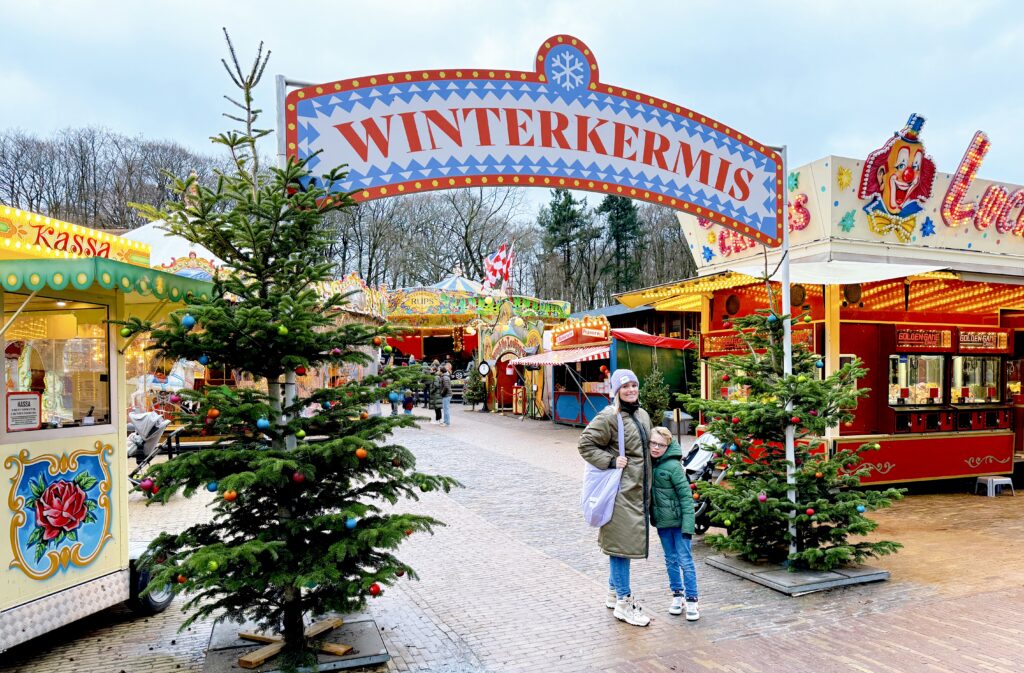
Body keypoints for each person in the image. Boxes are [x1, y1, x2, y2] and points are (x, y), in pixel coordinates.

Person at [577, 369, 653, 627]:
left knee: (622, 546)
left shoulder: (642, 415)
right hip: (620, 493)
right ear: (617, 390)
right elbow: (585, 443)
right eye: (626, 386)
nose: (631, 389)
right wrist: (610, 461)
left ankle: (613, 592)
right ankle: (624, 602)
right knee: (621, 550)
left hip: (637, 493)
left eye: (634, 384)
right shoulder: (610, 416)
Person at [649, 425, 700, 620]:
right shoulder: (651, 464)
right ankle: (677, 595)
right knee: (670, 560)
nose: (655, 448)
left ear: (668, 446)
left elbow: (686, 498)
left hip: (679, 524)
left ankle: (692, 599)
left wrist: (688, 527)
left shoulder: (673, 467)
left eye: (660, 445)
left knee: (685, 561)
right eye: (653, 443)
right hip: (663, 524)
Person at [440, 363, 453, 427]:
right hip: (447, 395)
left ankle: (447, 422)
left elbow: (446, 387)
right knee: (445, 409)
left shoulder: (445, 377)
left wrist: (442, 393)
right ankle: (445, 421)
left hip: (446, 395)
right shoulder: (445, 376)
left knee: (446, 409)